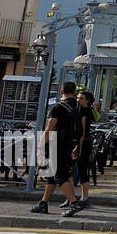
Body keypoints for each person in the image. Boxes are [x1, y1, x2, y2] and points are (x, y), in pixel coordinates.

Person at [30, 83, 82, 216]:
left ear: (61, 91)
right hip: (71, 143)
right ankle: (43, 203)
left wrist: (40, 145)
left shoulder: (57, 107)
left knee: (59, 174)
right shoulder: (78, 106)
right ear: (74, 91)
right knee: (52, 175)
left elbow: (50, 128)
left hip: (57, 144)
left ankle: (74, 203)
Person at [72, 89, 99, 209]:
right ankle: (73, 197)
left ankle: (85, 197)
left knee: (82, 169)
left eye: (81, 98)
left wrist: (79, 146)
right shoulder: (82, 109)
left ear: (87, 101)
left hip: (84, 142)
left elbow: (83, 131)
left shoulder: (85, 111)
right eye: (78, 98)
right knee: (78, 168)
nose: (78, 100)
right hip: (81, 142)